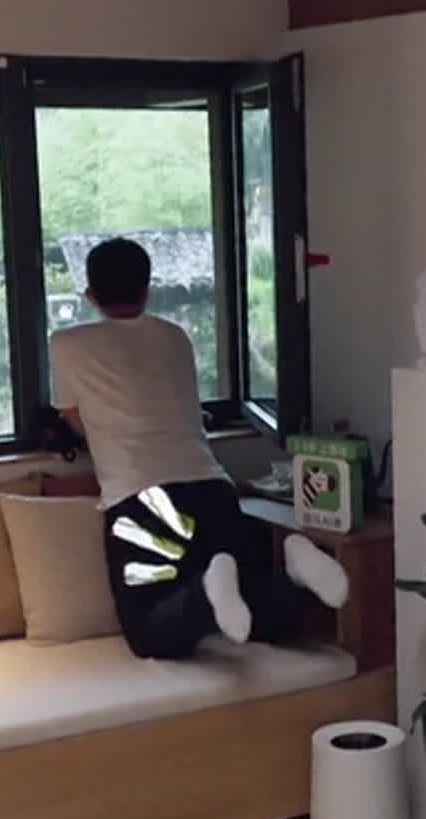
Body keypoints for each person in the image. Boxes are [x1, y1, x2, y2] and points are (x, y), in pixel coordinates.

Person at [50, 237, 348, 659]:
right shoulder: (175, 337)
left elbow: (74, 417)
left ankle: (207, 595)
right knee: (253, 614)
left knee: (149, 633)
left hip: (145, 500)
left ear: (90, 294)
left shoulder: (67, 344)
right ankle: (296, 572)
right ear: (147, 289)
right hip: (212, 490)